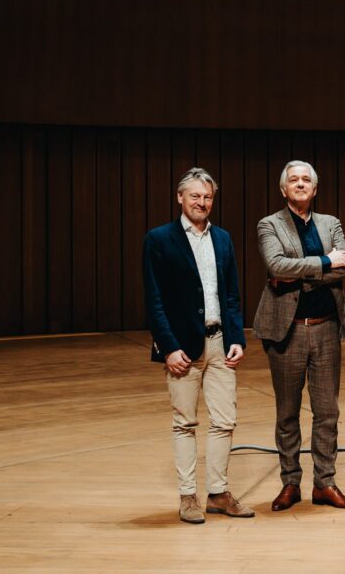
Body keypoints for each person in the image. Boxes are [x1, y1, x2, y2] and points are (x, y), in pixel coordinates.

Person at [143, 167, 254, 524]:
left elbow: (232, 296)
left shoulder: (222, 238)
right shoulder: (159, 239)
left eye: (207, 197)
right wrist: (168, 347)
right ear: (180, 198)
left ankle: (219, 493)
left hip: (220, 341)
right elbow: (154, 301)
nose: (201, 202)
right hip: (182, 348)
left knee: (225, 421)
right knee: (185, 423)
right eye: (194, 196)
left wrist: (237, 338)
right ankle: (188, 496)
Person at [254, 160, 345, 511]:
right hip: (288, 330)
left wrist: (302, 272)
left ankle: (325, 484)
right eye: (293, 180)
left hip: (326, 326)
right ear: (284, 189)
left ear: (315, 189)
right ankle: (290, 483)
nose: (300, 184)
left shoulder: (331, 223)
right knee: (287, 412)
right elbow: (275, 266)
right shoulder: (269, 224)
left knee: (327, 411)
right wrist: (325, 262)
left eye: (306, 180)